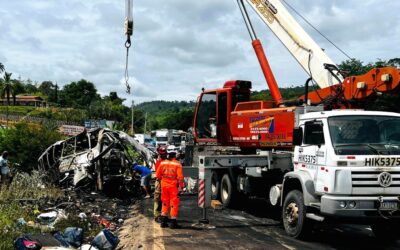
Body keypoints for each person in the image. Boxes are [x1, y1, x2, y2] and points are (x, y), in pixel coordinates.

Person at [156, 147, 184, 229]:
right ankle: (173, 223)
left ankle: (163, 222)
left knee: (165, 202)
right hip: (173, 186)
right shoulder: (177, 164)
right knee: (174, 204)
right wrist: (181, 187)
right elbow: (180, 177)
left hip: (164, 185)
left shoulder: (162, 163)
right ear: (175, 155)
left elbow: (158, 176)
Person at [154, 146, 167, 223]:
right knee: (158, 199)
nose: (163, 155)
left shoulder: (167, 162)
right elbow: (158, 175)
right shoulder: (158, 163)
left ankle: (164, 215)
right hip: (160, 182)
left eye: (164, 154)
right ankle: (157, 215)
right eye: (161, 154)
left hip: (166, 183)